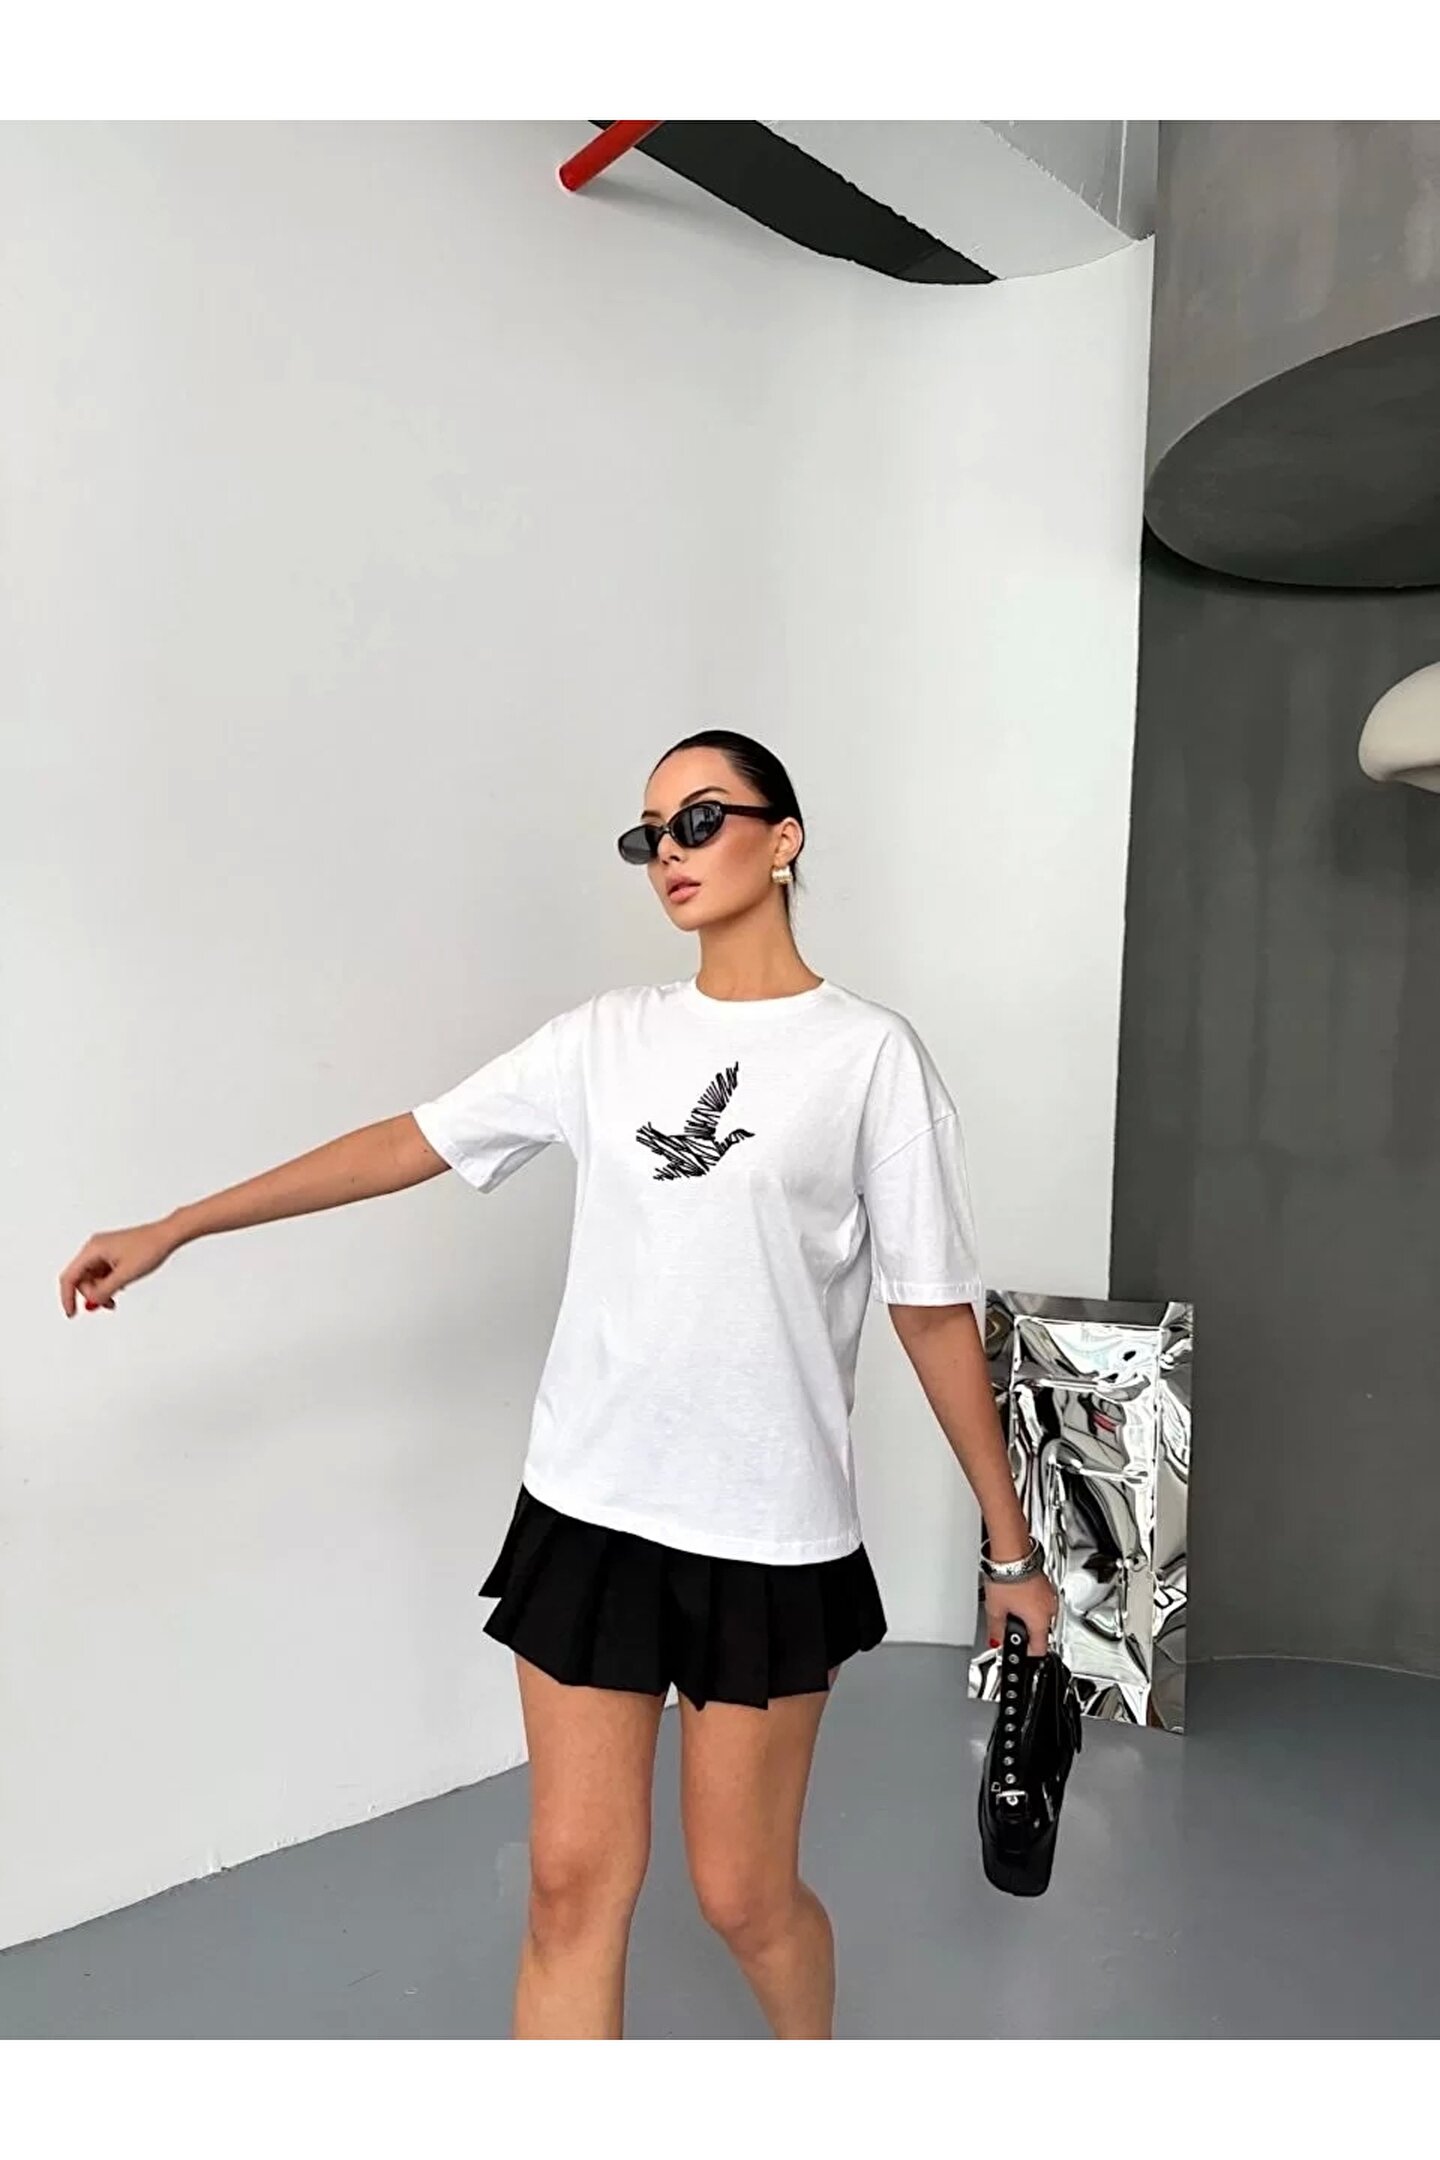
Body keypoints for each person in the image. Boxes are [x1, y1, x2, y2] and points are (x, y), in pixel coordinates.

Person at [58, 727, 1058, 2042]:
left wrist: (1010, 1553)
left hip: (765, 1536)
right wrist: (182, 1224)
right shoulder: (606, 1039)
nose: (668, 855)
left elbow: (930, 1315)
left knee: (744, 1896)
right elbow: (409, 1142)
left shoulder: (869, 1058)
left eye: (699, 820)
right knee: (569, 1889)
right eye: (649, 836)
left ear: (785, 837)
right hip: (590, 1515)